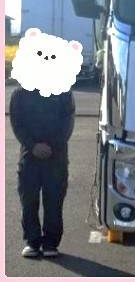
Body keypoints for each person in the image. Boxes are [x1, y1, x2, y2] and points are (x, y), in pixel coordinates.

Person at [10, 86, 75, 258]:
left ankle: (50, 243)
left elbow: (67, 123)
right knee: (28, 200)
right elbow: (17, 123)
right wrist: (33, 146)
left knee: (54, 201)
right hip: (29, 157)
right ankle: (32, 242)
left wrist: (52, 146)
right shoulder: (20, 93)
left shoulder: (63, 92)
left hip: (56, 157)